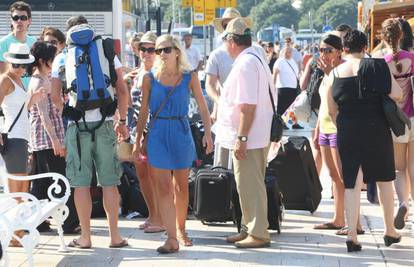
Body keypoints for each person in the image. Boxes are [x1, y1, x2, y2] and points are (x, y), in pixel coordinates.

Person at [133, 34, 213, 253]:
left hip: (180, 131)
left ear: (177, 51)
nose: (161, 54)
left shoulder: (189, 76)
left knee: (181, 185)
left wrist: (208, 133)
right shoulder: (149, 78)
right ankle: (171, 238)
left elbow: (204, 107)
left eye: (165, 50)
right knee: (164, 187)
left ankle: (181, 229)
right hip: (158, 132)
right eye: (158, 51)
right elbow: (143, 112)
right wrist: (138, 138)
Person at [326, 29, 402, 252]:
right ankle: (389, 230)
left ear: (344, 49)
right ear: (365, 47)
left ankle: (352, 235)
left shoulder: (335, 73)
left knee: (352, 181)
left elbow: (331, 110)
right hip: (376, 127)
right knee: (384, 179)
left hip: (348, 129)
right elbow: (397, 94)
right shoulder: (378, 66)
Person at [58, 16, 129, 249]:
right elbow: (121, 88)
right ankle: (115, 236)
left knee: (81, 184)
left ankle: (86, 237)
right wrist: (122, 119)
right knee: (109, 182)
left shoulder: (63, 56)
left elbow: (53, 91)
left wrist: (67, 111)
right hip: (106, 122)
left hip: (77, 127)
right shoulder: (106, 50)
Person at [216, 17, 274, 248]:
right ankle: (248, 227)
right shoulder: (255, 57)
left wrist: (241, 138)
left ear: (231, 41)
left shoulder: (245, 64)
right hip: (255, 134)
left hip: (249, 136)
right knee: (247, 183)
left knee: (250, 184)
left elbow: (247, 107)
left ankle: (258, 233)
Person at [27, 41, 80, 234]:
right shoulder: (39, 82)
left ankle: (35, 221)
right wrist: (56, 141)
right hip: (46, 140)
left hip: (47, 139)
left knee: (42, 183)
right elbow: (43, 116)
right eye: (52, 59)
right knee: (59, 180)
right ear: (42, 61)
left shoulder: (44, 78)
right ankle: (69, 222)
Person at [0, 43, 46, 246]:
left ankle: (16, 231)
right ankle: (13, 233)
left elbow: (20, 108)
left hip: (21, 137)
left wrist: (33, 99)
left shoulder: (18, 81)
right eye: (16, 64)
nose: (20, 68)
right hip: (13, 137)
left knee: (22, 185)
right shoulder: (6, 79)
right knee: (16, 187)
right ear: (9, 62)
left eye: (23, 65)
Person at [311, 34, 349, 231]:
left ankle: (351, 220)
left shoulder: (343, 70)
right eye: (321, 50)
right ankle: (338, 218)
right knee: (333, 176)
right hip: (325, 127)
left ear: (339, 51)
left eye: (328, 50)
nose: (324, 54)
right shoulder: (325, 71)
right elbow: (323, 104)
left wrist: (329, 74)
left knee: (343, 177)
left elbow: (340, 98)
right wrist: (317, 129)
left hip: (338, 128)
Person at [380, 18, 414, 230]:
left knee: (399, 169)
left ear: (384, 37)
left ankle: (403, 203)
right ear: (402, 35)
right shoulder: (412, 58)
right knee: (413, 166)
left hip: (395, 122)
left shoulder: (383, 63)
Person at [129, 31, 164, 233]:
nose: (147, 53)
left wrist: (146, 133)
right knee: (142, 174)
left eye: (151, 49)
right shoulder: (137, 72)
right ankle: (152, 214)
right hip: (136, 129)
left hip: (152, 130)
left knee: (154, 174)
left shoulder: (159, 74)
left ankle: (160, 217)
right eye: (143, 49)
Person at [208, 7, 251, 167]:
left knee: (245, 164)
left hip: (248, 114)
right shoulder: (217, 55)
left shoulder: (252, 53)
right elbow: (210, 84)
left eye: (235, 24)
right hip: (226, 116)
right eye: (227, 25)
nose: (230, 29)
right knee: (223, 164)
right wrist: (220, 102)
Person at [0, 1, 36, 90]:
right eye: (16, 18)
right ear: (11, 21)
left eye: (23, 18)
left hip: (30, 94)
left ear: (29, 20)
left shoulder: (34, 41)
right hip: (12, 94)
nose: (19, 21)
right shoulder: (3, 43)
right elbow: (2, 73)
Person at [273, 47, 302, 129]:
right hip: (283, 87)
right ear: (283, 52)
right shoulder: (280, 61)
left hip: (293, 87)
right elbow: (275, 74)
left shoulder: (292, 61)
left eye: (290, 52)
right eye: (287, 51)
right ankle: (281, 124)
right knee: (282, 108)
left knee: (293, 107)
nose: (288, 53)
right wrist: (273, 85)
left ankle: (294, 123)